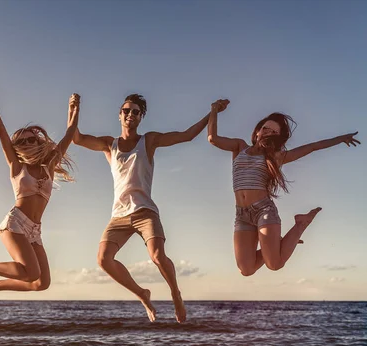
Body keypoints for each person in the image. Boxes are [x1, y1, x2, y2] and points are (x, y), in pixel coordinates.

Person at [73, 94, 228, 323]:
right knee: (103, 259)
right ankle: (142, 294)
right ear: (119, 114)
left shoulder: (149, 140)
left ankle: (175, 293)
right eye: (126, 110)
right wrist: (74, 109)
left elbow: (187, 135)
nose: (130, 115)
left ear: (140, 117)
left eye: (135, 112)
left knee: (157, 256)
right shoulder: (109, 144)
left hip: (145, 212)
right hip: (119, 215)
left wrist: (213, 111)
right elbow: (76, 138)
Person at [207, 101, 360, 276]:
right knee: (246, 269)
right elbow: (212, 139)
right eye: (265, 128)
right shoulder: (239, 146)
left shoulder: (276, 157)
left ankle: (301, 223)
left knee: (275, 264)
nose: (267, 132)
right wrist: (214, 111)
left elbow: (312, 147)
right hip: (241, 214)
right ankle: (275, 242)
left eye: (273, 132)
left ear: (276, 138)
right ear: (257, 131)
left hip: (263, 210)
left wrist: (340, 139)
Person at [0, 91, 80, 302]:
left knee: (42, 283)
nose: (29, 143)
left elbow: (69, 134)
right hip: (15, 224)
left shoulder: (49, 166)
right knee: (31, 273)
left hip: (34, 229)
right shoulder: (16, 166)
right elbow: (1, 131)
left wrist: (74, 108)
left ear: (38, 142)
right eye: (23, 142)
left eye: (32, 139)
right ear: (17, 148)